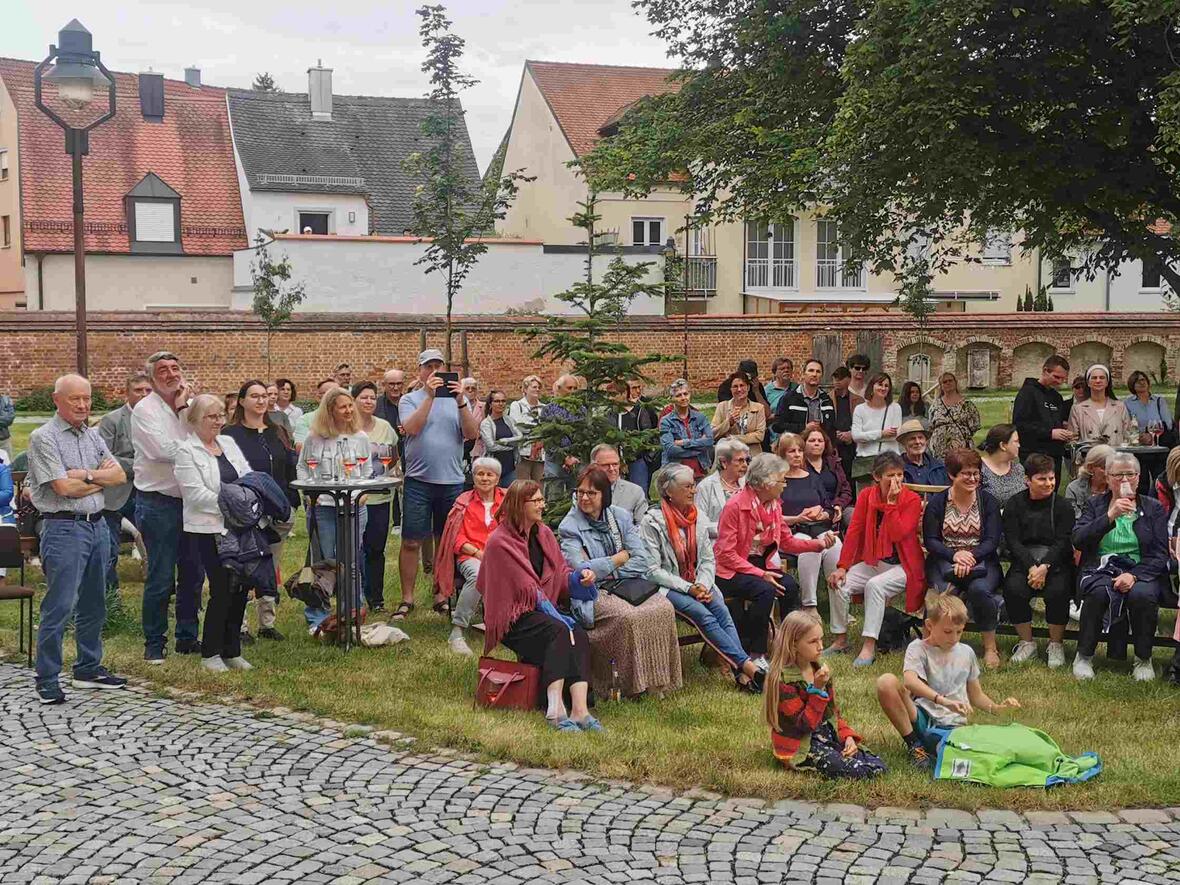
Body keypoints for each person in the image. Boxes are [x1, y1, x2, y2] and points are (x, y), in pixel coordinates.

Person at [27, 374, 128, 705]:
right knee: (60, 605)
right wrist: (100, 480)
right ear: (57, 400)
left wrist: (84, 475)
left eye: (87, 398)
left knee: (94, 603)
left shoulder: (92, 436)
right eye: (76, 399)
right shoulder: (44, 438)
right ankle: (47, 677)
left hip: (97, 526)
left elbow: (120, 475)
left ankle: (88, 667)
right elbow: (62, 489)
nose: (84, 405)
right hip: (63, 529)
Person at [479, 480, 602, 732]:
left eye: (541, 500)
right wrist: (556, 614)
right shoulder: (500, 542)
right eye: (535, 501)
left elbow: (560, 571)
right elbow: (528, 589)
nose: (542, 505)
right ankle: (555, 710)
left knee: (576, 632)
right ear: (518, 505)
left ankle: (580, 711)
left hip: (543, 610)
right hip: (513, 616)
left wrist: (579, 577)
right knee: (558, 630)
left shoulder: (543, 533)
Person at [559, 466, 682, 697]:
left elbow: (642, 560)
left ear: (604, 495)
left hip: (626, 585)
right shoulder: (570, 526)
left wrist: (607, 569)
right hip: (592, 593)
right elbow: (580, 569)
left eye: (591, 493)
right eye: (580, 492)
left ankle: (657, 682)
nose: (584, 498)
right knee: (629, 616)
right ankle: (628, 685)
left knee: (663, 608)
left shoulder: (620, 517)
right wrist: (618, 557)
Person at [641, 463, 764, 693]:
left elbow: (708, 559)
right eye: (687, 486)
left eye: (694, 485)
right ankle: (748, 667)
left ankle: (742, 673)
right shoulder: (652, 521)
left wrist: (703, 584)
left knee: (723, 614)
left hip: (699, 583)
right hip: (668, 586)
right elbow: (652, 570)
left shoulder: (697, 517)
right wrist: (689, 588)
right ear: (668, 491)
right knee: (702, 615)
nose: (694, 491)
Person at [876, 593, 1021, 770]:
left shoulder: (966, 652)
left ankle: (940, 749)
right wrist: (942, 700)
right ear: (930, 625)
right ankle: (915, 745)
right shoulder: (918, 648)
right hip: (923, 718)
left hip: (955, 725)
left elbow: (976, 695)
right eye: (947, 632)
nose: (953, 638)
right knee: (886, 682)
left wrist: (998, 708)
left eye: (959, 632)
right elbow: (910, 681)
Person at [714, 453, 835, 666]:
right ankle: (756, 653)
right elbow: (725, 554)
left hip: (758, 566)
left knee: (789, 586)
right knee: (766, 589)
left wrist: (819, 544)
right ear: (765, 483)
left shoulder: (774, 505)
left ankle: (793, 646)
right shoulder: (735, 506)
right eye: (782, 480)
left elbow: (787, 542)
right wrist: (761, 574)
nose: (785, 484)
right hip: (730, 571)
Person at [1072, 451, 1171, 682]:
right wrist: (1109, 516)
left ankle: (1143, 658)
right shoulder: (1096, 505)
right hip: (1101, 567)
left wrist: (1133, 576)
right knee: (1097, 593)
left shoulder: (1153, 508)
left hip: (1141, 570)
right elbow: (1078, 539)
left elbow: (1159, 553)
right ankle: (1084, 656)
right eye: (1118, 475)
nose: (1125, 480)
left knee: (1143, 596)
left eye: (1130, 474)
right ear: (1107, 477)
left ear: (1138, 478)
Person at [132, 350, 204, 664]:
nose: (171, 374)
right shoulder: (145, 410)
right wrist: (194, 443)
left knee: (193, 575)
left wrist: (185, 409)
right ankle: (154, 642)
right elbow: (163, 451)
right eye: (163, 370)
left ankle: (187, 638)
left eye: (176, 367)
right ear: (151, 378)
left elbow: (208, 437)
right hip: (158, 504)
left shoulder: (189, 405)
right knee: (161, 577)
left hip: (191, 501)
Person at [174, 395, 255, 672]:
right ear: (195, 420)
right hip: (208, 528)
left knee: (242, 587)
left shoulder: (229, 444)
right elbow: (195, 495)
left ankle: (232, 650)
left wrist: (242, 505)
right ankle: (211, 652)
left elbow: (248, 477)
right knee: (223, 588)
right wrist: (234, 506)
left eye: (221, 415)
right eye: (212, 416)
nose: (219, 421)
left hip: (239, 527)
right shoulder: (186, 451)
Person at [397, 349, 479, 620]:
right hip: (418, 481)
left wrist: (460, 401)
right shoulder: (409, 399)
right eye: (427, 366)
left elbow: (471, 434)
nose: (433, 371)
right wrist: (430, 397)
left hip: (452, 481)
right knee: (411, 541)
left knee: (447, 542)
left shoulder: (459, 400)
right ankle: (407, 598)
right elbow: (412, 428)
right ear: (420, 371)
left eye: (438, 366)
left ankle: (441, 595)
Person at [825, 452, 925, 665]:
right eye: (891, 475)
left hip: (904, 566)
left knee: (874, 586)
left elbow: (899, 533)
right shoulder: (866, 496)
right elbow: (854, 532)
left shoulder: (912, 500)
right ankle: (840, 639)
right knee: (839, 583)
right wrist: (842, 566)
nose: (897, 480)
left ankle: (869, 646)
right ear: (877, 477)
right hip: (875, 561)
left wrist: (891, 505)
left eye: (900, 474)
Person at [765, 610, 886, 778]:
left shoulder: (818, 670)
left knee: (877, 764)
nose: (821, 646)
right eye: (813, 641)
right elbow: (805, 725)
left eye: (821, 639)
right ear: (793, 644)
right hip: (801, 743)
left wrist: (847, 737)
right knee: (859, 771)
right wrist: (816, 689)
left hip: (824, 734)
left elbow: (833, 714)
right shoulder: (784, 681)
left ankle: (840, 752)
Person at [224, 380, 297, 641]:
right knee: (244, 566)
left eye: (264, 396)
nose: (260, 400)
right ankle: (240, 625)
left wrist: (291, 502)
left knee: (270, 567)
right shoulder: (229, 434)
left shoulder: (277, 431)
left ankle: (267, 622)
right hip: (245, 511)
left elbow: (290, 467)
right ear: (241, 401)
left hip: (277, 509)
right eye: (254, 396)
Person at [923, 448, 1005, 668]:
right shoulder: (937, 503)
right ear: (952, 475)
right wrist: (954, 555)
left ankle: (990, 647)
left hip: (983, 561)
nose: (972, 479)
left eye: (976, 473)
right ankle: (932, 646)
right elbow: (931, 540)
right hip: (944, 560)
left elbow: (992, 540)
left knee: (979, 590)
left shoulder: (988, 502)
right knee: (942, 593)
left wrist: (969, 556)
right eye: (966, 474)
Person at [297, 386, 371, 628]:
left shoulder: (360, 437)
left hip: (353, 507)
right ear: (330, 410)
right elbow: (302, 469)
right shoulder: (314, 438)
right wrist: (309, 492)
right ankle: (318, 616)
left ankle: (353, 611)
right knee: (323, 562)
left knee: (350, 561)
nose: (349, 410)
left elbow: (366, 472)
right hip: (324, 507)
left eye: (351, 405)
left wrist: (361, 495)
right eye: (343, 407)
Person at [1003, 454, 1076, 668]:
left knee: (1058, 591)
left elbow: (1063, 541)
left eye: (1051, 478)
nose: (1049, 483)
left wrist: (1044, 566)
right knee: (1013, 588)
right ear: (1028, 480)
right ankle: (1027, 642)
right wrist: (1031, 568)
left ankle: (1056, 644)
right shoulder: (1014, 504)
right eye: (1042, 479)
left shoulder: (1063, 506)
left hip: (1056, 561)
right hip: (1024, 560)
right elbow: (1013, 541)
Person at [435, 457, 506, 655]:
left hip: (501, 557)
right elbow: (455, 539)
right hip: (471, 555)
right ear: (473, 477)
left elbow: (514, 534)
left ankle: (504, 626)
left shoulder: (507, 501)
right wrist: (478, 553)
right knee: (478, 576)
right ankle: (457, 631)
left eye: (489, 474)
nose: (484, 478)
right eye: (480, 474)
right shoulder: (463, 502)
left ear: (497, 478)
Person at [775, 433, 842, 614]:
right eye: (791, 451)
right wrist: (798, 518)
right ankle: (809, 606)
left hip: (818, 527)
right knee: (810, 548)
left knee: (835, 546)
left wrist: (823, 514)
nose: (797, 455)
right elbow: (772, 517)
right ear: (782, 455)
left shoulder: (813, 478)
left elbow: (827, 507)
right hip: (791, 530)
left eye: (799, 451)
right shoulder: (778, 481)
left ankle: (840, 605)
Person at [99, 373, 152, 597]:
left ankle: (163, 596)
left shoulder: (159, 420)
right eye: (138, 390)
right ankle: (111, 600)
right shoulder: (111, 420)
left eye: (148, 390)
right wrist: (143, 463)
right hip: (115, 494)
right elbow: (104, 458)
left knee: (160, 546)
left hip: (149, 491)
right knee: (108, 549)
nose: (144, 395)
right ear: (126, 393)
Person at [350, 381, 399, 612]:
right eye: (364, 398)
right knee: (354, 549)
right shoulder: (346, 428)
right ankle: (355, 597)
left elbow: (394, 455)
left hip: (380, 497)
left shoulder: (385, 427)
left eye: (372, 398)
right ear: (354, 400)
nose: (369, 402)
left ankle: (376, 599)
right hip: (354, 498)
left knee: (376, 549)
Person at [1012, 354, 1073, 479]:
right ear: (1045, 371)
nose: (1059, 382)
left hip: (1054, 456)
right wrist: (1050, 433)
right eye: (1056, 377)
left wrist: (1064, 430)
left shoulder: (1056, 397)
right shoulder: (1027, 393)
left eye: (1063, 379)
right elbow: (1020, 426)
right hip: (1033, 455)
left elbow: (1056, 423)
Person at [1066, 364, 1139, 451]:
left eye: (1102, 378)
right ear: (1088, 383)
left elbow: (1128, 435)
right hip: (1089, 458)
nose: (1098, 381)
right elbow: (1072, 439)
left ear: (1107, 382)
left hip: (1115, 458)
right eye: (1094, 378)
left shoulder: (1120, 406)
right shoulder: (1078, 409)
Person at [851, 372, 902, 485]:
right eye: (880, 384)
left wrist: (867, 436)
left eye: (886, 386)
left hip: (890, 462)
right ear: (872, 386)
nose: (883, 388)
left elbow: (896, 435)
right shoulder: (860, 409)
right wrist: (881, 433)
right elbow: (856, 436)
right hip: (865, 462)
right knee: (866, 499)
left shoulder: (895, 408)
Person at [660, 379, 714, 477]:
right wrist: (698, 447)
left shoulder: (700, 417)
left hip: (701, 469)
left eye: (686, 394)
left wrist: (685, 443)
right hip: (676, 473)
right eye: (678, 395)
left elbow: (709, 441)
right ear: (671, 399)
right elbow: (670, 449)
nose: (683, 398)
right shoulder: (666, 421)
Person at [696, 438, 749, 538]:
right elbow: (700, 525)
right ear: (724, 462)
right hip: (717, 546)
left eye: (746, 460)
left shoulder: (748, 485)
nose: (745, 465)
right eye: (740, 461)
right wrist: (734, 529)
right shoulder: (705, 487)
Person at [541, 374, 583, 499]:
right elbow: (548, 439)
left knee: (576, 496)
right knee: (554, 496)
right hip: (554, 461)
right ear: (559, 389)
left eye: (575, 389)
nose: (572, 392)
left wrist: (574, 456)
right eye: (569, 388)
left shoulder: (581, 410)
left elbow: (583, 435)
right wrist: (564, 457)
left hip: (576, 460)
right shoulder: (549, 410)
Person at [616, 379, 660, 494]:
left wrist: (648, 455)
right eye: (634, 388)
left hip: (639, 457)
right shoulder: (612, 413)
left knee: (639, 492)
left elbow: (652, 431)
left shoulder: (645, 407)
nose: (638, 391)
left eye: (639, 387)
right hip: (618, 459)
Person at [801, 423, 853, 520]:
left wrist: (838, 505)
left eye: (820, 441)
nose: (816, 443)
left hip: (836, 508)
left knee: (853, 515)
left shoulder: (834, 463)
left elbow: (846, 490)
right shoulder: (798, 465)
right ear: (804, 443)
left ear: (825, 444)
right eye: (812, 440)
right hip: (809, 511)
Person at [773, 359, 835, 438]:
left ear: (822, 375)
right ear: (803, 374)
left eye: (818, 371)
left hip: (819, 445)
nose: (814, 374)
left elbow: (832, 427)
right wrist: (804, 428)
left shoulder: (826, 400)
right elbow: (777, 425)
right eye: (811, 371)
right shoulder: (789, 398)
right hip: (796, 446)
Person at [591, 443, 649, 524]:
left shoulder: (635, 492)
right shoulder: (584, 492)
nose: (612, 469)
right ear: (594, 466)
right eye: (606, 465)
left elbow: (643, 527)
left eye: (615, 464)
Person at [927, 372, 981, 458]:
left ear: (955, 382)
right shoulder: (935, 405)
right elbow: (930, 426)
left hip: (961, 446)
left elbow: (975, 425)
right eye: (944, 382)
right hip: (939, 448)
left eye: (950, 381)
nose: (948, 383)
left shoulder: (967, 404)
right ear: (941, 386)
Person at [711, 371, 767, 449]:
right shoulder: (722, 407)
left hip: (752, 453)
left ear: (748, 387)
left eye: (742, 385)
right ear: (730, 389)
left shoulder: (759, 408)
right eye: (735, 386)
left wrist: (734, 438)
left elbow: (759, 435)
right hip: (728, 453)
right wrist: (728, 423)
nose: (739, 389)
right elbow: (713, 433)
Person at [480, 389, 522, 486]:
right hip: (492, 469)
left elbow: (520, 437)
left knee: (510, 498)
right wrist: (511, 446)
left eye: (503, 401)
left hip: (510, 468)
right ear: (490, 404)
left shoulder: (509, 420)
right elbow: (491, 446)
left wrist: (506, 441)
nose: (501, 404)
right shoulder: (486, 424)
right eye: (497, 401)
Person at [508, 375, 546, 482]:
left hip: (540, 453)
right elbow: (519, 426)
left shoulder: (544, 407)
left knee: (539, 485)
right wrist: (538, 430)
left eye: (539, 387)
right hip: (523, 452)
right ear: (525, 389)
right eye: (534, 387)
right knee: (522, 484)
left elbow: (548, 428)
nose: (537, 389)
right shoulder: (517, 405)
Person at [979, 424, 1026, 508]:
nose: (1019, 445)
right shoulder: (979, 469)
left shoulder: (1018, 468)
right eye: (1016, 441)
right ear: (1003, 446)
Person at [830, 366, 862, 482]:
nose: (837, 381)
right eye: (835, 378)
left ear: (848, 380)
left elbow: (864, 424)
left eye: (840, 378)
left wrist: (851, 434)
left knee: (851, 480)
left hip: (852, 447)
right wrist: (834, 434)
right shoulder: (826, 399)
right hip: (833, 446)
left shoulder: (859, 401)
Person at [1065, 444, 1114, 518]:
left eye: (1112, 467)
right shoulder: (1074, 489)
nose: (1109, 472)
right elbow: (1076, 521)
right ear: (1090, 468)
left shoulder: (1117, 488)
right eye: (1104, 468)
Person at [897, 419, 948, 487]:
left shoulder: (939, 467)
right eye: (912, 439)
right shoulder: (896, 467)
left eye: (920, 438)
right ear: (904, 443)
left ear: (926, 441)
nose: (918, 442)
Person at [1125, 370, 1173, 438]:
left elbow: (1169, 424)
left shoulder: (1159, 401)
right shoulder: (1127, 403)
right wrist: (1142, 434)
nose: (1142, 383)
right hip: (1137, 441)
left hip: (1159, 441)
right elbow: (1127, 426)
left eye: (1143, 380)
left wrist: (1150, 433)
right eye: (1137, 381)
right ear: (1132, 385)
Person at [294, 379, 337, 449]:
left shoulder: (348, 419)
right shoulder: (305, 420)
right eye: (332, 394)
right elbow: (300, 447)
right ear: (319, 397)